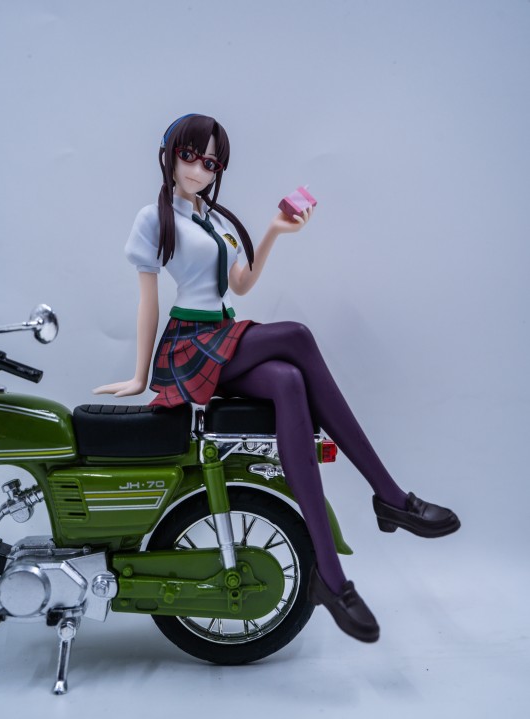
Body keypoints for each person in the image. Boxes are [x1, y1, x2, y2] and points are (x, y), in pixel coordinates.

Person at [94, 113, 460, 643]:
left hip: (220, 339)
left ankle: (332, 579)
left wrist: (272, 231)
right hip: (188, 347)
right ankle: (390, 496)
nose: (198, 169)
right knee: (296, 336)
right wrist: (138, 375)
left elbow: (240, 285)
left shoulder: (217, 219)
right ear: (169, 155)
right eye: (189, 156)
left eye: (210, 162)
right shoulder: (154, 218)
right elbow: (147, 299)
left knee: (288, 380)